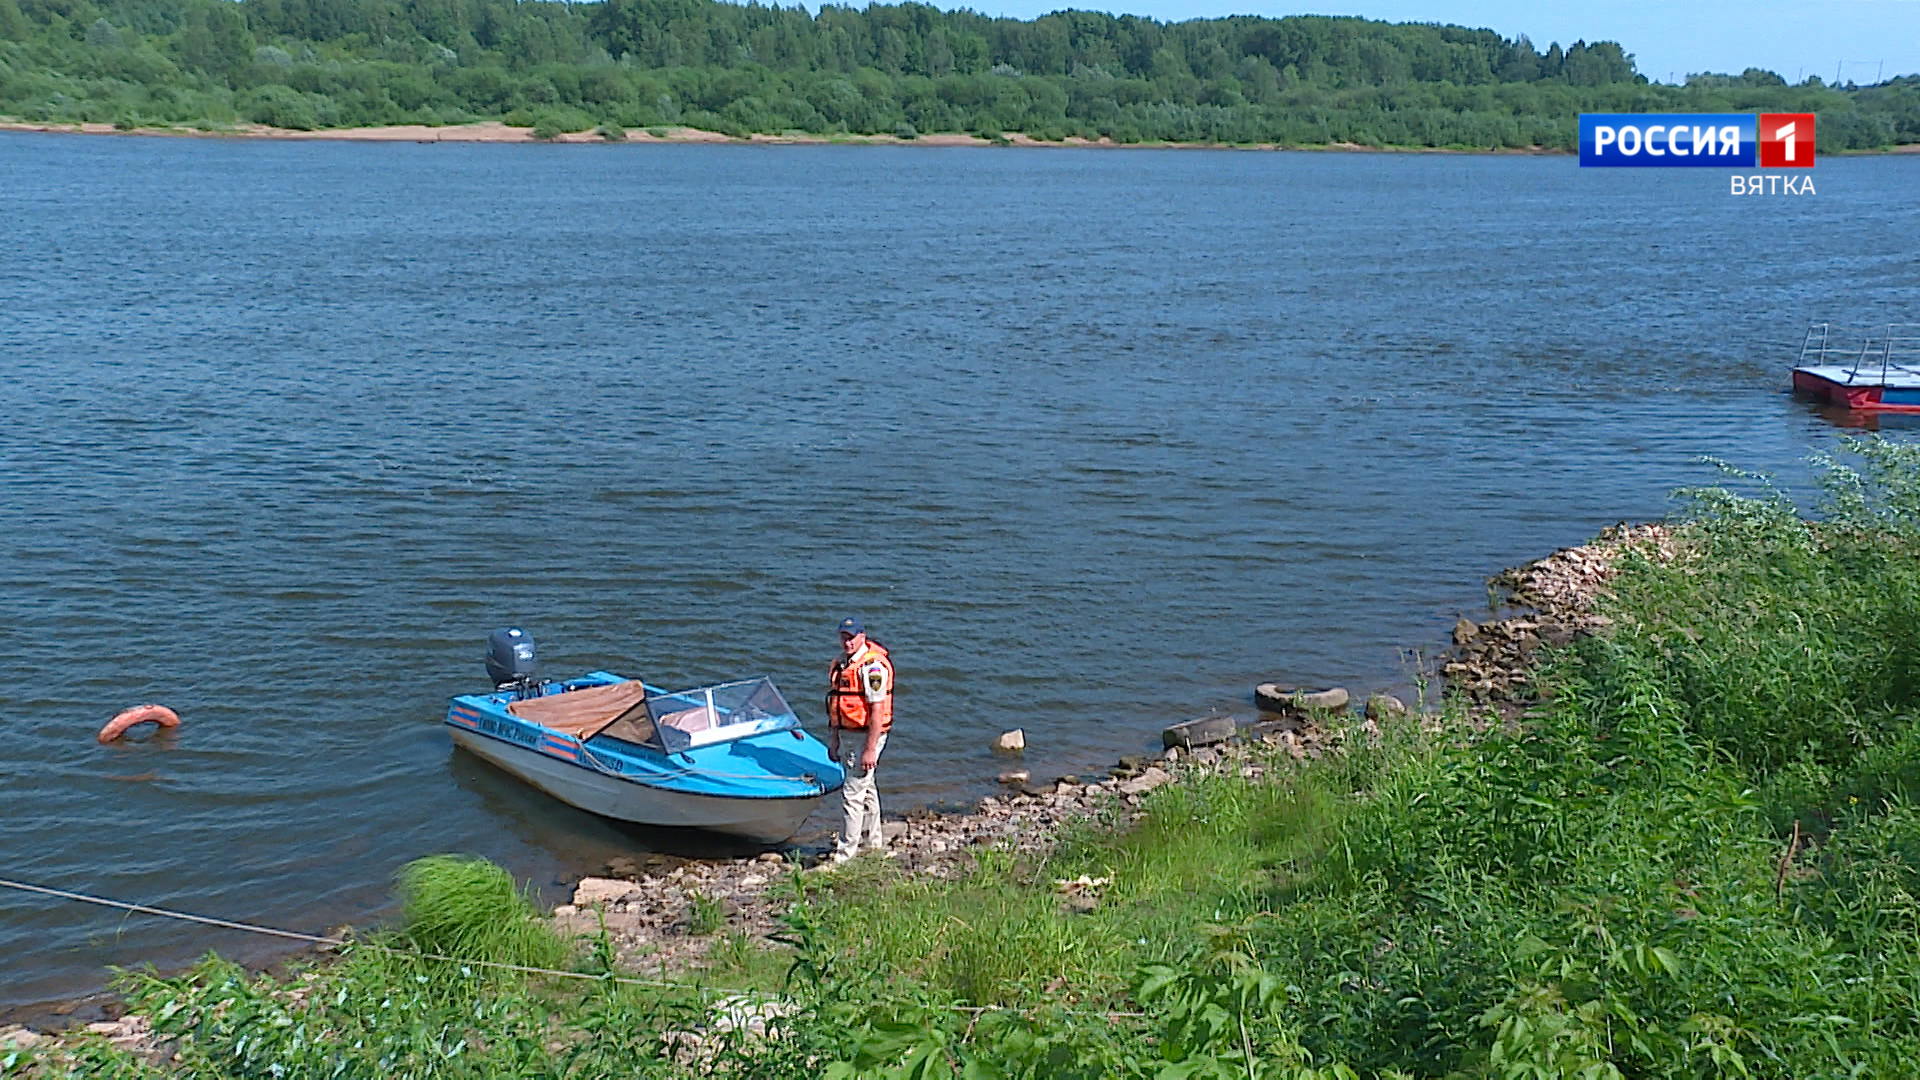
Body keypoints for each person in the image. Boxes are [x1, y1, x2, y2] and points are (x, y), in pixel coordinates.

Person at [825, 616, 893, 863]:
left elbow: (876, 710)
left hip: (867, 736)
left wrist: (870, 749)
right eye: (843, 637)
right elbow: (836, 704)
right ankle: (875, 844)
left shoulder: (872, 668)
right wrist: (834, 740)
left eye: (852, 637)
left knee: (852, 794)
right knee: (866, 789)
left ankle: (845, 856)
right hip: (848, 734)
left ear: (862, 637)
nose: (847, 642)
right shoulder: (841, 664)